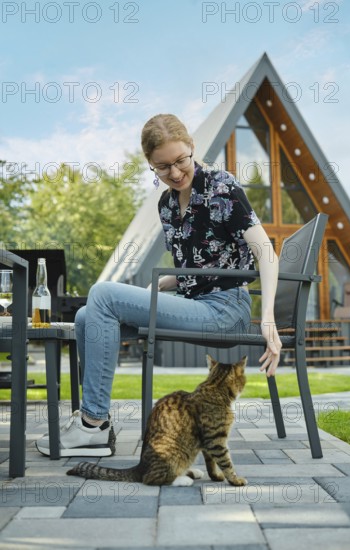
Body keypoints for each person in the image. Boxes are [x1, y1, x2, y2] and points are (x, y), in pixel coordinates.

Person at [36, 114, 282, 457]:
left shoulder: (221, 187)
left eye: (181, 160)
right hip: (196, 304)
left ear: (192, 147)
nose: (176, 172)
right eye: (163, 167)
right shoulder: (166, 205)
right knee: (86, 316)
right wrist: (159, 287)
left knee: (102, 293)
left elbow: (265, 252)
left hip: (226, 308)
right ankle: (96, 425)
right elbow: (193, 269)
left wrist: (267, 317)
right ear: (151, 165)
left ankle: (92, 424)